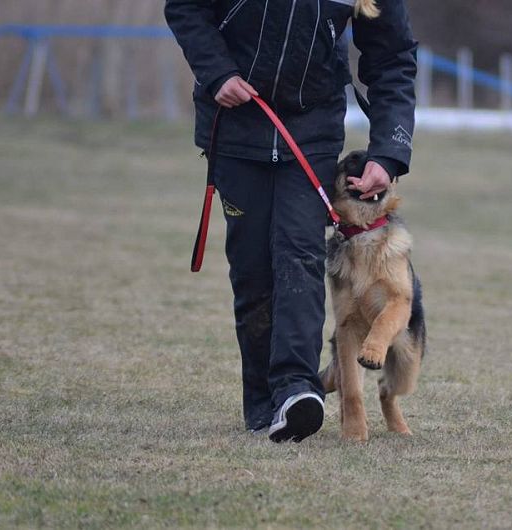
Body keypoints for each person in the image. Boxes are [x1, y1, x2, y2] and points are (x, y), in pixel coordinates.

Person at [164, 0, 417, 442]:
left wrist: (388, 153)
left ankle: (297, 393)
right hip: (237, 124)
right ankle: (263, 404)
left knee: (299, 254)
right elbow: (185, 7)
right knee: (253, 267)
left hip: (311, 128)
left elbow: (392, 57)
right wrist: (217, 71)